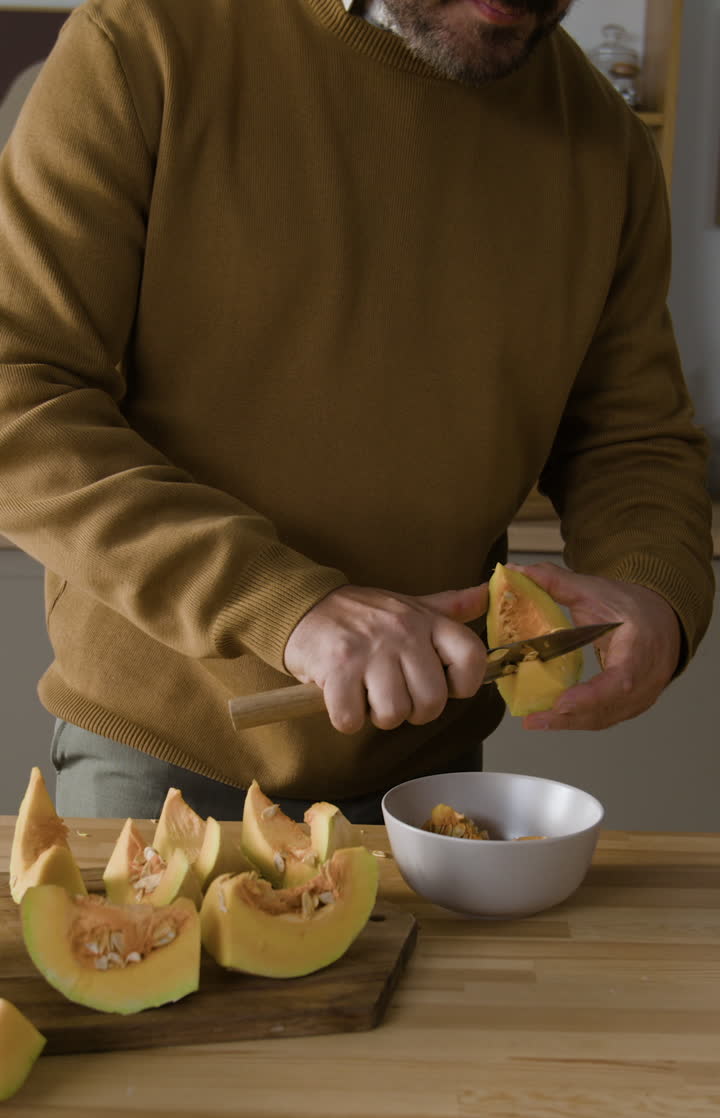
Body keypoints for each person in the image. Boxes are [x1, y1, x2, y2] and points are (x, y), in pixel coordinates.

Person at [0, 0, 714, 823]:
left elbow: (631, 442)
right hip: (164, 750)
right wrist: (283, 604)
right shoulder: (144, 43)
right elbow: (19, 391)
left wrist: (654, 591)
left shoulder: (604, 142)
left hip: (433, 760)